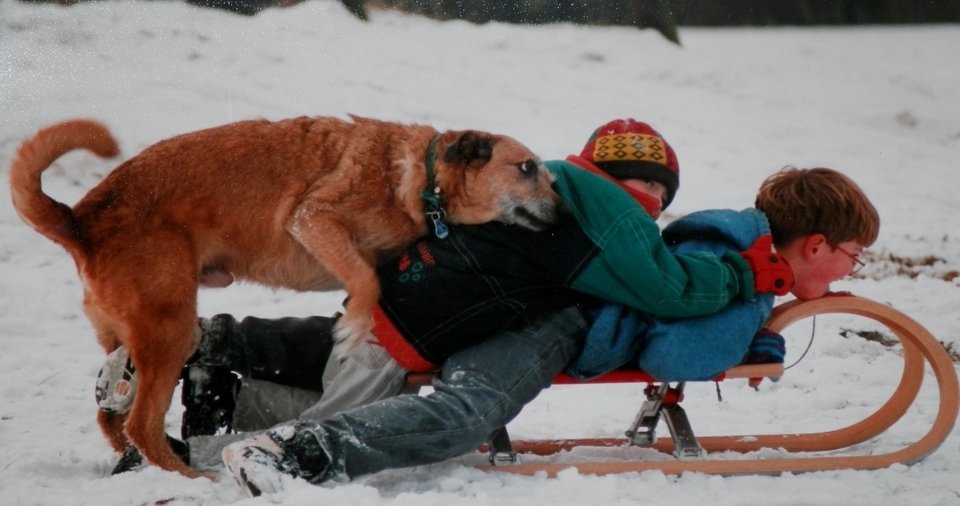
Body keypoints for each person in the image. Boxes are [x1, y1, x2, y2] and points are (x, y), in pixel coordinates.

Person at [94, 119, 801, 486]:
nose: (645, 209)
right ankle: (226, 448)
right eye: (647, 196)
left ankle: (206, 352)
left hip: (409, 309)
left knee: (345, 359)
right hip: (420, 331)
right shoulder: (600, 222)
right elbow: (665, 292)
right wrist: (752, 282)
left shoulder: (534, 194)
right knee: (368, 412)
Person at [215, 168, 878, 496]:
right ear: (816, 246)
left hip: (538, 307)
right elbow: (677, 348)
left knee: (382, 358)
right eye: (855, 253)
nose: (856, 267)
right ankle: (295, 451)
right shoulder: (744, 266)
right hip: (559, 322)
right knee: (460, 415)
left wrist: (759, 325)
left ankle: (223, 382)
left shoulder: (727, 241)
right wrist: (755, 310)